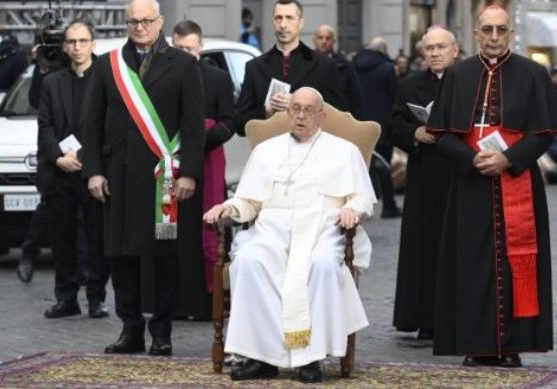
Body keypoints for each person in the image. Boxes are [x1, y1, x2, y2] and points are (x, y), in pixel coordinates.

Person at [426, 5, 557, 367]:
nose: (493, 37)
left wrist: (509, 158)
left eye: (500, 30)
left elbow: (544, 133)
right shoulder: (458, 75)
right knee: (471, 263)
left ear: (511, 34)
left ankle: (510, 346)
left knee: (514, 261)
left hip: (517, 179)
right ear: (475, 33)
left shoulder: (532, 74)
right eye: (486, 29)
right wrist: (470, 158)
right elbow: (442, 134)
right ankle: (477, 345)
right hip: (470, 185)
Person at [203, 87, 375, 383]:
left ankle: (311, 359)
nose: (300, 115)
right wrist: (227, 207)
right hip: (272, 229)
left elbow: (363, 199)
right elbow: (249, 201)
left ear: (321, 116)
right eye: (294, 108)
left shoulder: (344, 151)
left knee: (321, 265)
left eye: (308, 110)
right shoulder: (265, 151)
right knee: (248, 260)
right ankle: (262, 357)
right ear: (286, 113)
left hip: (323, 229)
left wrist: (352, 209)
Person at [84, 0, 204, 356]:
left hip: (163, 179)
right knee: (120, 255)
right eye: (133, 22)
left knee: (163, 254)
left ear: (160, 21)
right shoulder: (109, 65)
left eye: (146, 21)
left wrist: (189, 174)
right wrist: (93, 171)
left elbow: (194, 125)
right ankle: (130, 328)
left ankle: (162, 331)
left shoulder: (183, 64)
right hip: (118, 178)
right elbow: (91, 124)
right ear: (126, 24)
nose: (140, 28)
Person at [162, 19, 236, 319]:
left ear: (201, 47)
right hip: (171, 166)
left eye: (189, 49)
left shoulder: (217, 78)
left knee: (206, 232)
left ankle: (208, 301)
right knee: (172, 233)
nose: (184, 53)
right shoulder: (164, 77)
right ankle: (175, 302)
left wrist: (196, 140)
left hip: (207, 164)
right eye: (179, 48)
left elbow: (229, 122)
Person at [38, 19, 109, 319]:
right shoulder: (52, 82)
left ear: (93, 43)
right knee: (62, 238)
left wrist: (87, 158)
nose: (77, 47)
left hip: (92, 171)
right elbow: (45, 125)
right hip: (60, 172)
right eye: (72, 42)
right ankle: (66, 297)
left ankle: (96, 298)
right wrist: (57, 157)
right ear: (65, 47)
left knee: (97, 238)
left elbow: (108, 126)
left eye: (83, 41)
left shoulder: (106, 79)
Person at [391, 25, 457, 340]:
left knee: (456, 246)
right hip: (424, 173)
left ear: (454, 50)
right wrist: (414, 134)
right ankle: (425, 318)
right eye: (429, 48)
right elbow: (394, 122)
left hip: (459, 172)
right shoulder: (409, 85)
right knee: (423, 246)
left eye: (440, 47)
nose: (434, 53)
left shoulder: (467, 81)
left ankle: (456, 315)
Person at [234, 0, 345, 135]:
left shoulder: (324, 65)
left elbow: (337, 118)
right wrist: (266, 110)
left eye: (289, 18)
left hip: (311, 151)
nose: (283, 25)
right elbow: (239, 124)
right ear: (273, 22)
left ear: (300, 22)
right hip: (270, 151)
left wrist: (298, 106)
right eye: (278, 18)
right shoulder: (255, 67)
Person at [353, 37, 401, 218]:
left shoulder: (353, 65)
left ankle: (361, 206)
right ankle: (389, 205)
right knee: (384, 166)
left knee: (361, 166)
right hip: (382, 124)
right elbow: (395, 97)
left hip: (359, 122)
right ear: (383, 50)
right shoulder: (387, 68)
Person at [312, 24, 364, 119]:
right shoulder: (306, 63)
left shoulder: (344, 65)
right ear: (314, 40)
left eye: (328, 38)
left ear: (334, 41)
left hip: (337, 117)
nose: (324, 41)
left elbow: (355, 97)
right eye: (320, 38)